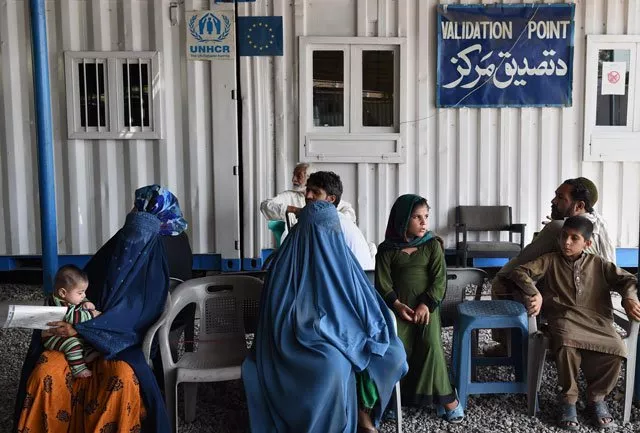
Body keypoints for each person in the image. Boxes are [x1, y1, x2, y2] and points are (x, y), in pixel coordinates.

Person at [13, 184, 187, 433]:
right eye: (129, 232)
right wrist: (57, 317)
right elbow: (73, 292)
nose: (130, 244)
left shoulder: (153, 277)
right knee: (45, 372)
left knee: (121, 379)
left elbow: (136, 325)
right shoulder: (110, 255)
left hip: (121, 348)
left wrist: (83, 328)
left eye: (138, 237)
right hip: (74, 340)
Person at [242, 200, 407, 433]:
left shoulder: (342, 258)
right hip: (299, 339)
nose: (329, 236)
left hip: (345, 329)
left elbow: (364, 301)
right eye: (322, 230)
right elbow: (280, 317)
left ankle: (363, 413)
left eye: (333, 229)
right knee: (333, 366)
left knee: (392, 353)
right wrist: (324, 330)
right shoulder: (285, 264)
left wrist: (353, 329)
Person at [505, 216, 640, 430]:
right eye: (563, 236)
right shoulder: (550, 260)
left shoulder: (599, 264)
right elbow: (519, 272)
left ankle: (596, 398)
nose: (566, 242)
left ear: (587, 243)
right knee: (566, 342)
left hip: (597, 320)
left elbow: (628, 279)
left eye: (574, 238)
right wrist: (534, 292)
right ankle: (568, 400)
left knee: (617, 349)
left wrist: (629, 298)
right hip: (564, 317)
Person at [489, 177, 616, 355]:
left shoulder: (558, 228)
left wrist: (549, 233)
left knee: (503, 282)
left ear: (579, 206)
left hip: (569, 301)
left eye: (560, 198)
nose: (553, 201)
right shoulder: (598, 223)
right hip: (599, 301)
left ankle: (510, 348)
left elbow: (521, 262)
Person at [375, 194, 464, 423]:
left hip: (427, 310)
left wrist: (426, 304)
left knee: (431, 346)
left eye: (426, 216)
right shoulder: (387, 249)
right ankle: (396, 400)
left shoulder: (432, 245)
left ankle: (448, 399)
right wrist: (396, 305)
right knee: (398, 349)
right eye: (417, 217)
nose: (424, 222)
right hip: (398, 311)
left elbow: (439, 280)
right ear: (402, 219)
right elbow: (383, 284)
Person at [294, 170, 376, 269]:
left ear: (331, 199)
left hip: (352, 278)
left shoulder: (325, 223)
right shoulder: (336, 218)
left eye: (316, 192)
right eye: (308, 190)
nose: (308, 196)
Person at [42, 265, 101, 378]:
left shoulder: (67, 297)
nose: (84, 295)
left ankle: (87, 353)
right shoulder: (57, 303)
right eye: (80, 293)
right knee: (73, 345)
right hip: (53, 337)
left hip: (66, 333)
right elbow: (72, 317)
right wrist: (92, 314)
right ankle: (78, 369)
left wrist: (86, 302)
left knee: (86, 336)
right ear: (63, 293)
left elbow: (80, 303)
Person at [260, 162, 357, 223]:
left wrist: (329, 219)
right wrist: (295, 210)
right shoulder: (290, 196)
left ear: (310, 177)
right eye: (294, 175)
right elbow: (265, 206)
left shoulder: (325, 196)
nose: (293, 179)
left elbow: (349, 212)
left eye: (299, 176)